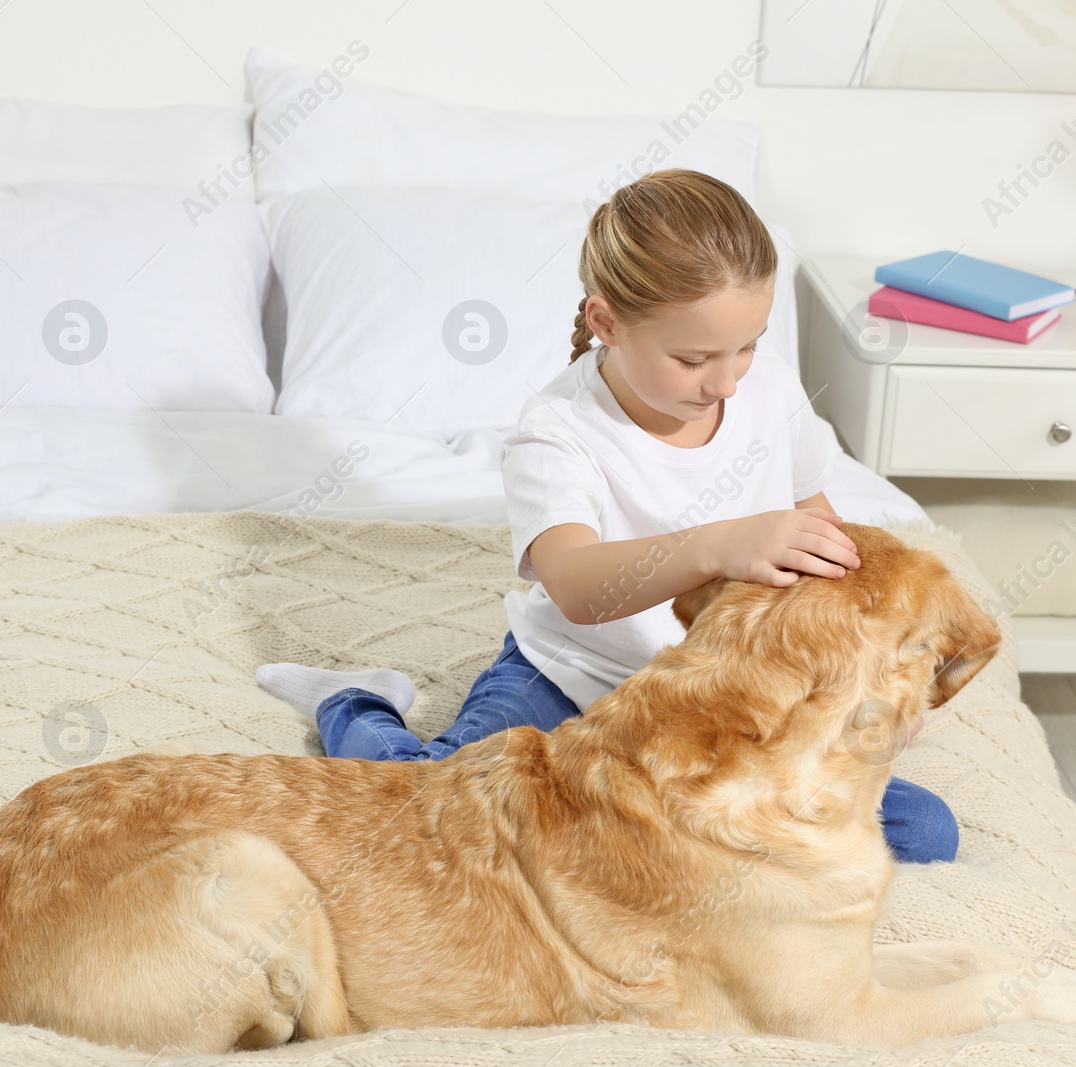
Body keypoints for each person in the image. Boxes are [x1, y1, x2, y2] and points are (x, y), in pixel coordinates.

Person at [255, 167, 958, 864]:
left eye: (748, 344)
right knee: (433, 815)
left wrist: (873, 676)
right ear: (606, 323)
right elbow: (576, 586)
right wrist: (718, 545)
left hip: (732, 702)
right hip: (572, 680)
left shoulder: (769, 391)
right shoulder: (558, 431)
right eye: (692, 357)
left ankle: (659, 813)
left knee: (923, 834)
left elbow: (819, 527)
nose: (727, 380)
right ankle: (358, 704)